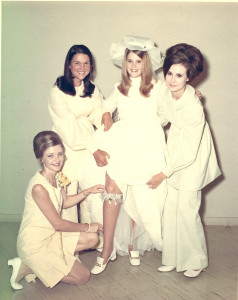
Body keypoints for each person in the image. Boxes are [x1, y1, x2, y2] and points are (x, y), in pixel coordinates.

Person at [90, 36, 168, 274]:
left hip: (146, 144)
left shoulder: (157, 87)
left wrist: (149, 127)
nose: (134, 66)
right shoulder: (119, 88)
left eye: (138, 61)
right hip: (121, 142)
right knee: (112, 189)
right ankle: (106, 250)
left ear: (146, 63)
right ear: (124, 63)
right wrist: (105, 114)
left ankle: (135, 242)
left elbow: (167, 113)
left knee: (139, 194)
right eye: (130, 61)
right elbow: (104, 106)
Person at [153, 43, 221, 277]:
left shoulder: (194, 107)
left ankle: (195, 260)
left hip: (192, 159)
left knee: (186, 210)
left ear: (189, 77)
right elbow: (161, 116)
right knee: (171, 208)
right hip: (175, 152)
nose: (172, 79)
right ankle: (172, 257)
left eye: (179, 75)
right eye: (169, 72)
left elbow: (190, 151)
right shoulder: (165, 89)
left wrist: (164, 172)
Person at [8, 131, 104, 290]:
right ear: (40, 158)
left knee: (93, 239)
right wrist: (87, 226)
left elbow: (64, 202)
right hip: (35, 244)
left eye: (60, 154)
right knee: (82, 277)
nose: (57, 160)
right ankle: (30, 266)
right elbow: (58, 224)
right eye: (50, 156)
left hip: (51, 236)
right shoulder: (38, 187)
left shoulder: (59, 176)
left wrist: (87, 191)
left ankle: (45, 264)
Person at [48, 45, 110, 243]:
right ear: (69, 65)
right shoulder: (57, 91)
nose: (82, 67)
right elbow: (69, 128)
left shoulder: (92, 89)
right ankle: (69, 245)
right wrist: (94, 149)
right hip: (67, 148)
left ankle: (93, 239)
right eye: (77, 63)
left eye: (86, 63)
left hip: (90, 146)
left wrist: (107, 119)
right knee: (68, 196)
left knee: (91, 193)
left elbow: (98, 114)